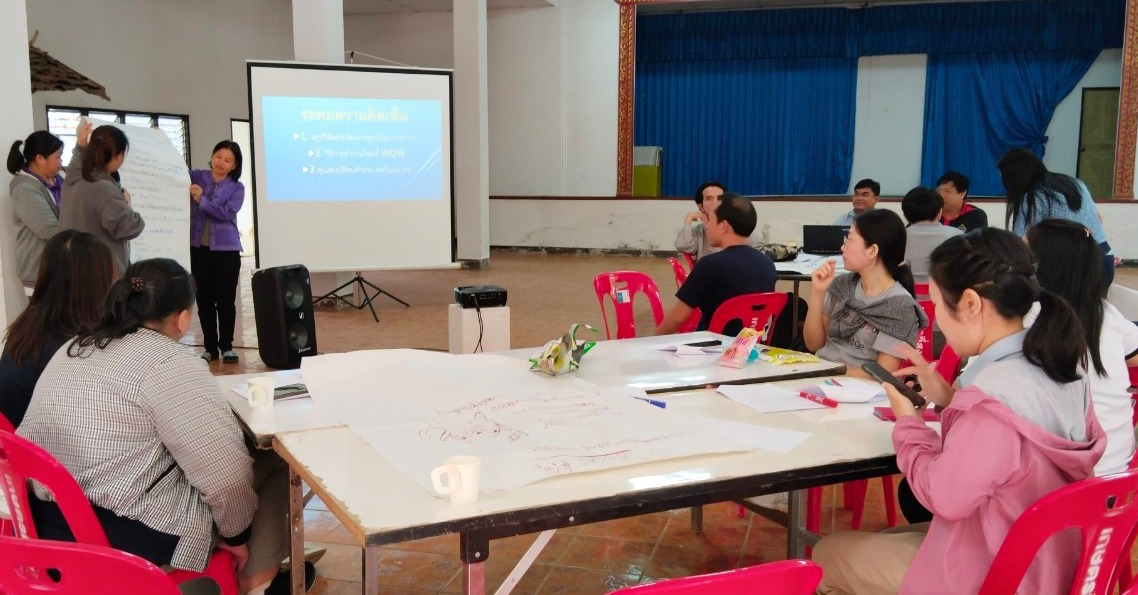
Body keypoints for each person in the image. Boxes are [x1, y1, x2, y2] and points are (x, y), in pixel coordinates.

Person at [813, 228, 1105, 595]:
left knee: (827, 555)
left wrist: (909, 424)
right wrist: (950, 398)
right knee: (886, 538)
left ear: (970, 303)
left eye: (938, 305)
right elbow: (1015, 449)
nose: (937, 320)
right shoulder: (1062, 365)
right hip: (1049, 556)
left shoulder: (992, 398)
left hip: (999, 572)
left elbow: (944, 497)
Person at [18, 258, 312, 594]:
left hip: (48, 519)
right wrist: (236, 537)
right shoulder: (169, 362)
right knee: (271, 458)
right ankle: (256, 581)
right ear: (183, 318)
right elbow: (226, 477)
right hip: (124, 532)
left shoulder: (74, 347)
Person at [1028, 218, 1137, 476]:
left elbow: (967, 394)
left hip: (1056, 487)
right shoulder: (1105, 313)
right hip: (1119, 477)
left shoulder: (1023, 317)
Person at [0, 231, 113, 427]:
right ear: (98, 282)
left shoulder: (29, 324)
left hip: (12, 438)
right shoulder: (75, 347)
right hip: (34, 441)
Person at [804, 209, 926, 378]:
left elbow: (883, 373)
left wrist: (828, 373)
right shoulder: (843, 285)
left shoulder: (899, 306)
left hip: (859, 387)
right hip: (822, 375)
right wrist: (817, 292)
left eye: (849, 239)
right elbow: (813, 344)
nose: (842, 247)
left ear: (872, 250)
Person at [655, 193, 776, 336]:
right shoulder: (767, 264)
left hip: (712, 346)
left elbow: (677, 318)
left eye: (710, 219)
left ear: (723, 226)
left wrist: (647, 342)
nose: (706, 225)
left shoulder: (709, 265)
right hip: (751, 345)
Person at [999, 147, 1114, 287]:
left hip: (1075, 271)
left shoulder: (1034, 197)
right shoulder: (1076, 183)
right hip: (1105, 263)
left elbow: (1020, 244)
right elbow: (1099, 219)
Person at [59, 120, 145, 275]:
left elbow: (76, 161)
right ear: (118, 156)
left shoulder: (73, 177)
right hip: (101, 273)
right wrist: (126, 203)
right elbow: (131, 227)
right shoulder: (103, 188)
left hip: (73, 268)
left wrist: (80, 145)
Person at [189, 140, 245, 363]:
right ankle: (210, 348)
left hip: (226, 252)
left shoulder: (237, 188)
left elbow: (225, 214)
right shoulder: (196, 176)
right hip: (198, 251)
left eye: (228, 160)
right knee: (204, 300)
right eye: (218, 156)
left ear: (234, 165)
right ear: (212, 156)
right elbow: (173, 174)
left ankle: (227, 347)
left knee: (225, 301)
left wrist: (201, 200)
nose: (221, 162)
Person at [6, 131, 65, 291]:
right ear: (39, 158)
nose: (61, 162)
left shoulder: (58, 178)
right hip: (40, 272)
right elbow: (49, 229)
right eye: (58, 157)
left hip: (62, 268)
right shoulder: (24, 188)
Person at [900, 186, 961, 283]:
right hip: (946, 291)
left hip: (905, 290)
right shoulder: (957, 235)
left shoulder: (897, 237)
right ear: (939, 213)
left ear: (905, 217)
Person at [674, 180, 725, 262]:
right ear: (701, 207)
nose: (715, 202)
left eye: (720, 198)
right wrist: (689, 217)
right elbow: (682, 246)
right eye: (709, 199)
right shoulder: (698, 232)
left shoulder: (737, 228)